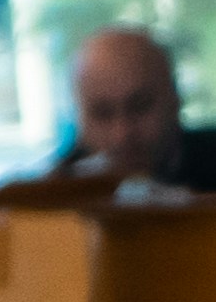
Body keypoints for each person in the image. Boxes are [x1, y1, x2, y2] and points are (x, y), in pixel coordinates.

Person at [60, 24, 185, 189]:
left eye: (140, 107)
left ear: (174, 100)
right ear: (80, 120)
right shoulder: (51, 199)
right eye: (102, 114)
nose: (123, 134)